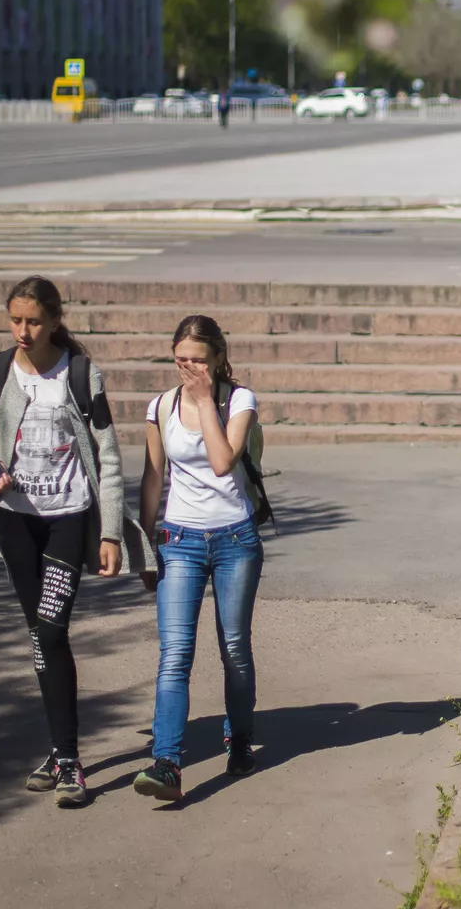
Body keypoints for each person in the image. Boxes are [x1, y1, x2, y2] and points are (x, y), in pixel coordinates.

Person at [0, 275, 127, 808]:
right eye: (15, 320)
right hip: (15, 522)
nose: (23, 331)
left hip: (67, 520)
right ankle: (60, 753)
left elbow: (108, 455)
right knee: (40, 636)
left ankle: (70, 761)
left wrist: (109, 531)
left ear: (55, 320)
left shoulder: (80, 374)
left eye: (34, 321)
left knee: (52, 631)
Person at [131, 315, 267, 802]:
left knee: (234, 647)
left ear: (219, 358)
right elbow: (153, 476)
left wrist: (207, 399)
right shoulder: (161, 406)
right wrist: (144, 546)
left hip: (234, 539)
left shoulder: (239, 400)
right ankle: (166, 763)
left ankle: (240, 739)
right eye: (181, 360)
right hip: (180, 540)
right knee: (174, 654)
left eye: (199, 361)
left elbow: (222, 461)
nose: (189, 369)